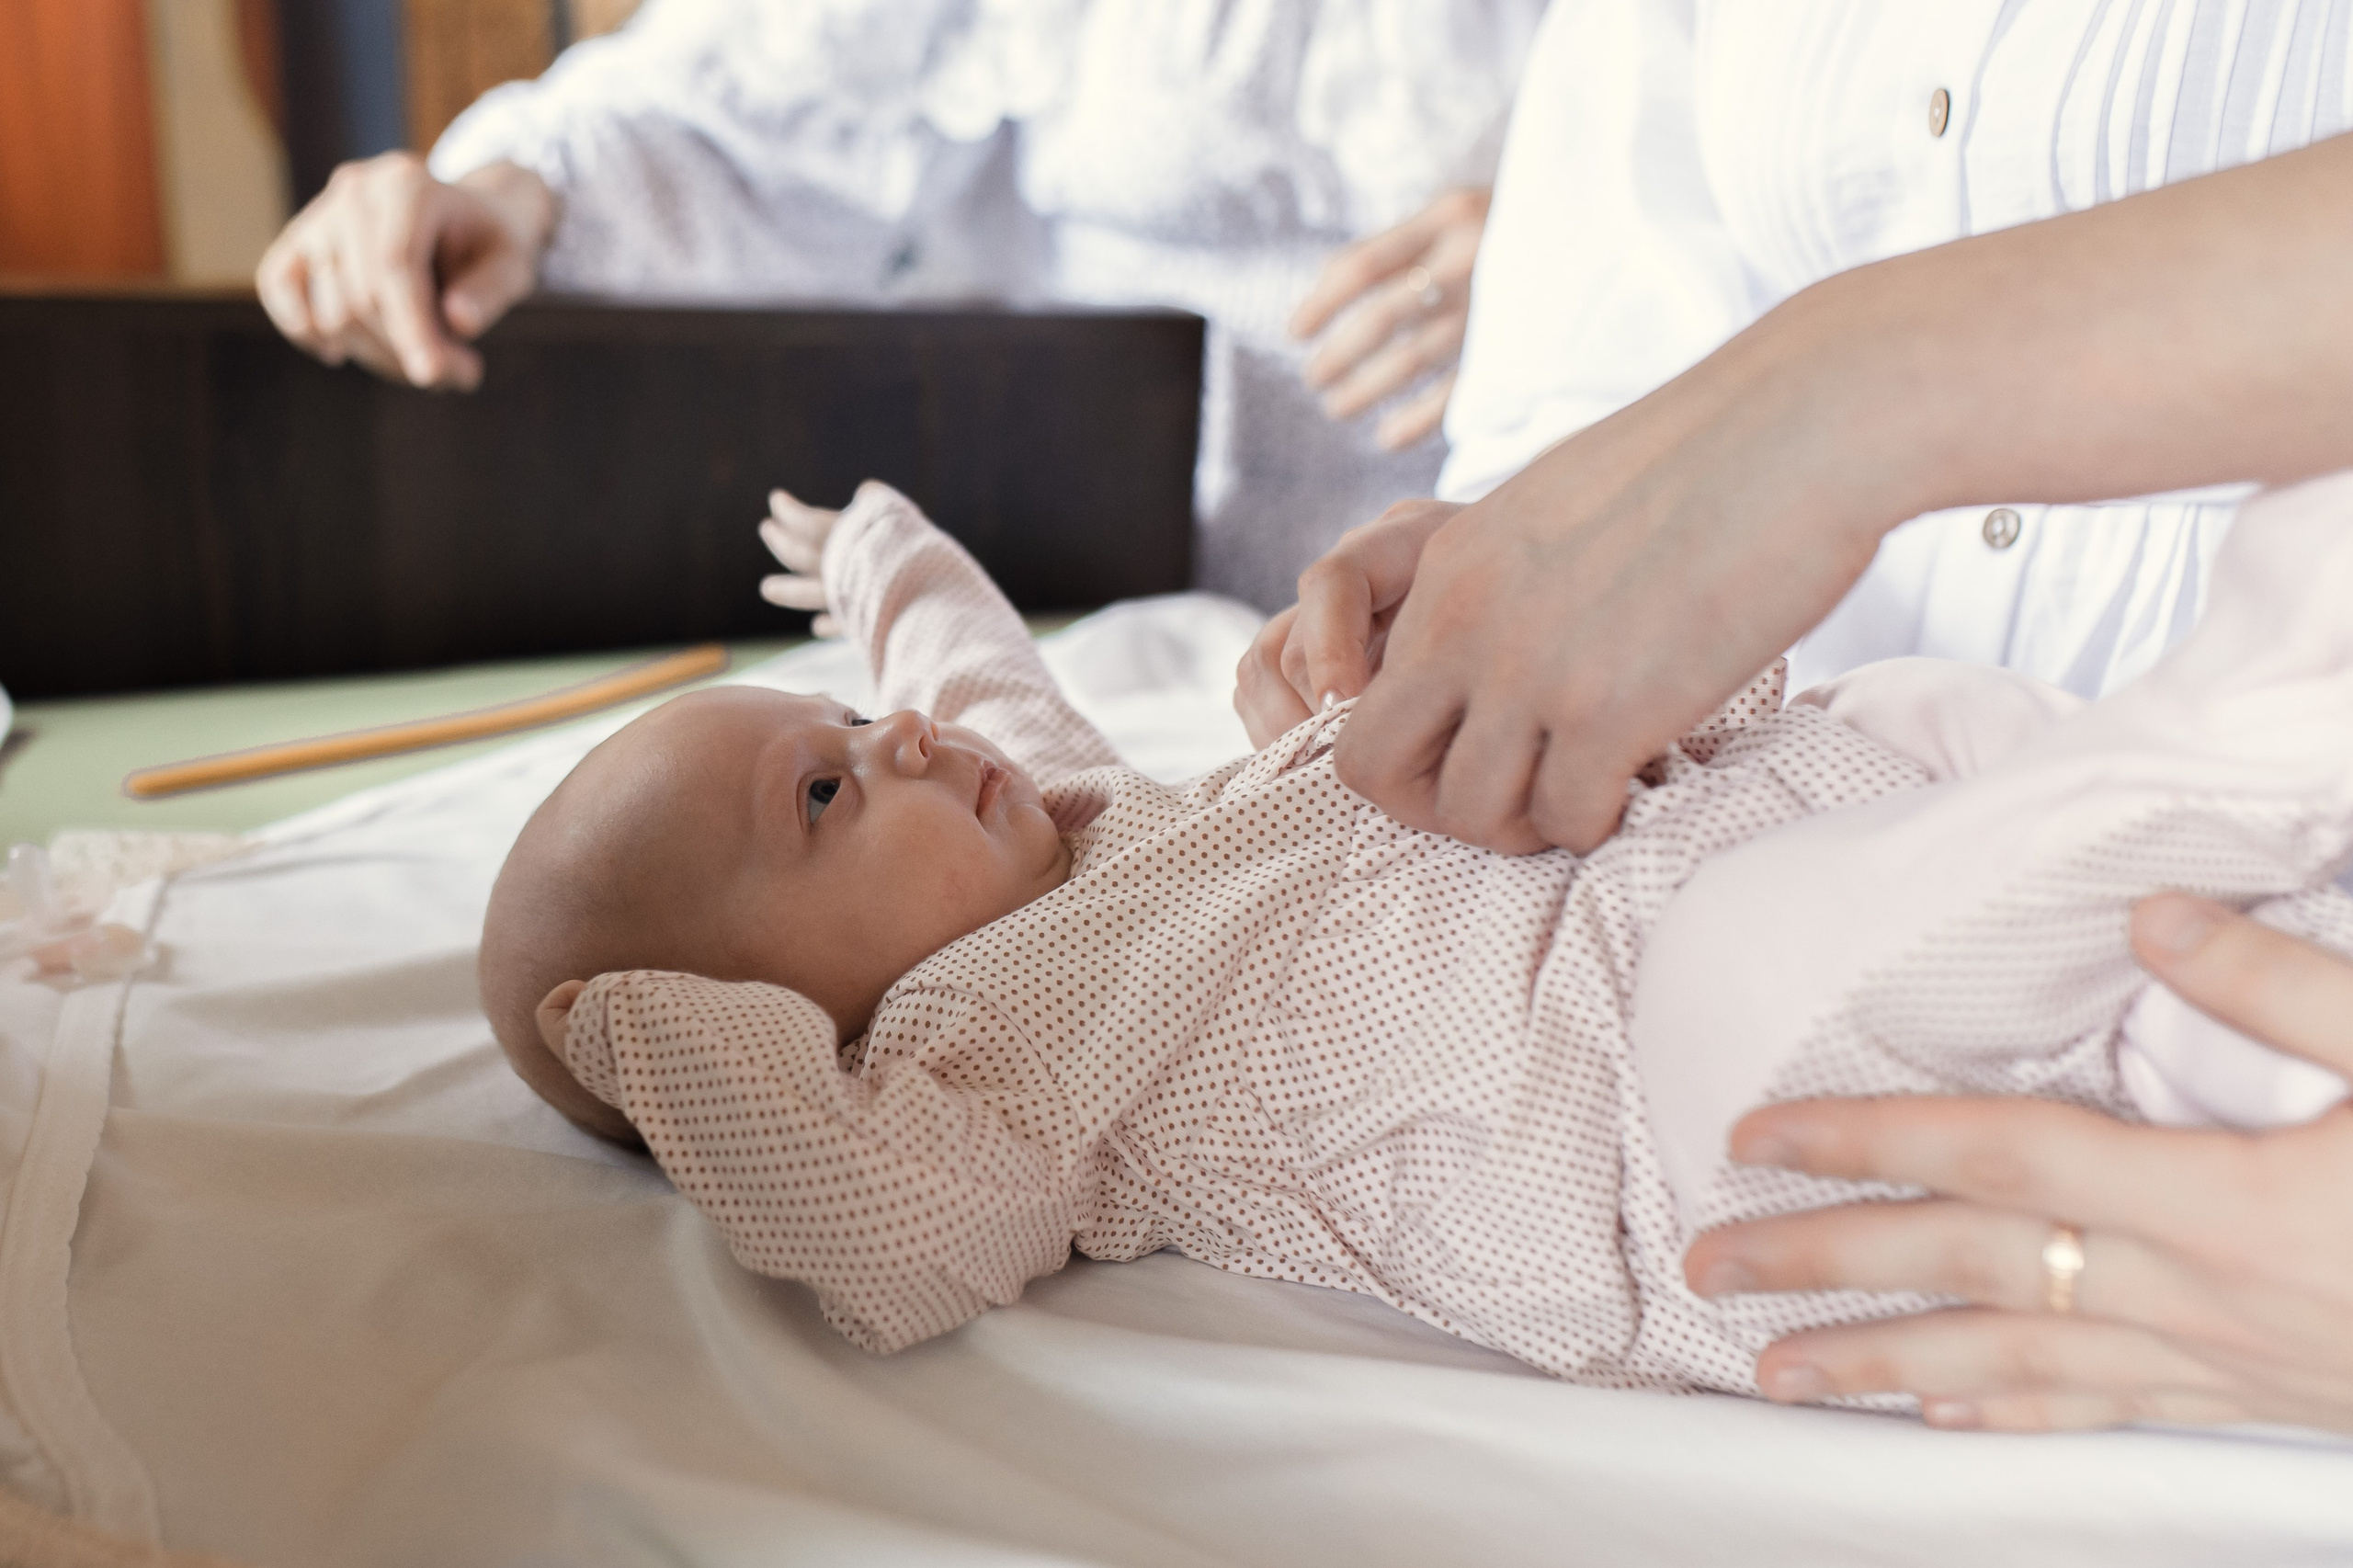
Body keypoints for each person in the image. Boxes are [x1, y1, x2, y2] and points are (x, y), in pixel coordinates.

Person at [476, 464, 2351, 1407]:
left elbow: (974, 683)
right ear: (776, 1013)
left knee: (1941, 743)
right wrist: (647, 1042)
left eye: (842, 731)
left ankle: (2259, 864)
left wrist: (887, 565)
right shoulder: (972, 1081)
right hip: (1663, 1135)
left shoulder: (1079, 824)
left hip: (1748, 835)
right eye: (818, 799)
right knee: (1853, 944)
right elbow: (864, 1235)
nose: (892, 746)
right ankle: (2263, 705)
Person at [1232, 3, 2353, 1433]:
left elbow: (1769, 421)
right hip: (1836, 1101)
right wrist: (1510, 592)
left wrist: (1848, 395)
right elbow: (1610, 340)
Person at [253, 0, 1544, 611]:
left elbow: (1734, 188)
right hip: (1121, 622)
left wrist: (1574, 231)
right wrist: (511, 190)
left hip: (1555, 593)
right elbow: (732, 100)